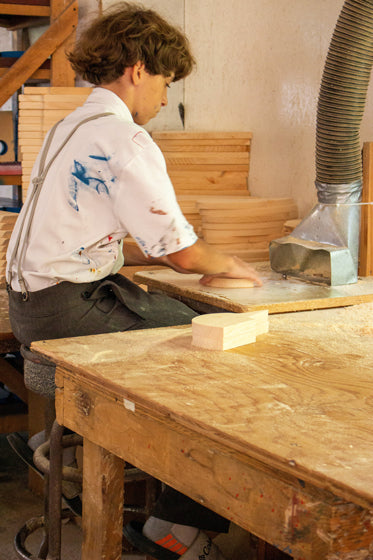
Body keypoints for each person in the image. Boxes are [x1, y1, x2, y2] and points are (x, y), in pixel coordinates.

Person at [6, 3, 262, 559]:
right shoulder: (124, 140)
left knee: (184, 323)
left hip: (33, 303)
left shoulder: (72, 124)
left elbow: (96, 226)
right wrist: (238, 268)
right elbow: (182, 253)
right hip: (65, 311)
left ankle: (60, 444)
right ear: (139, 68)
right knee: (225, 356)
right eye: (166, 82)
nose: (166, 99)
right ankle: (178, 529)